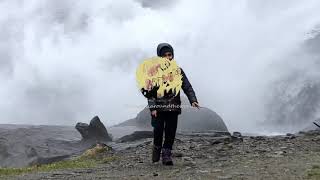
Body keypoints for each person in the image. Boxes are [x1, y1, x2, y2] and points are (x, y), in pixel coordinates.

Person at [148, 43, 200, 165]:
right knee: (158, 131)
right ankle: (156, 148)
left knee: (171, 131)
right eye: (165, 55)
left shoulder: (178, 71)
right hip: (159, 108)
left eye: (170, 54)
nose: (168, 57)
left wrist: (193, 99)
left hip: (173, 107)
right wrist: (152, 107)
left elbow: (187, 86)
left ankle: (167, 154)